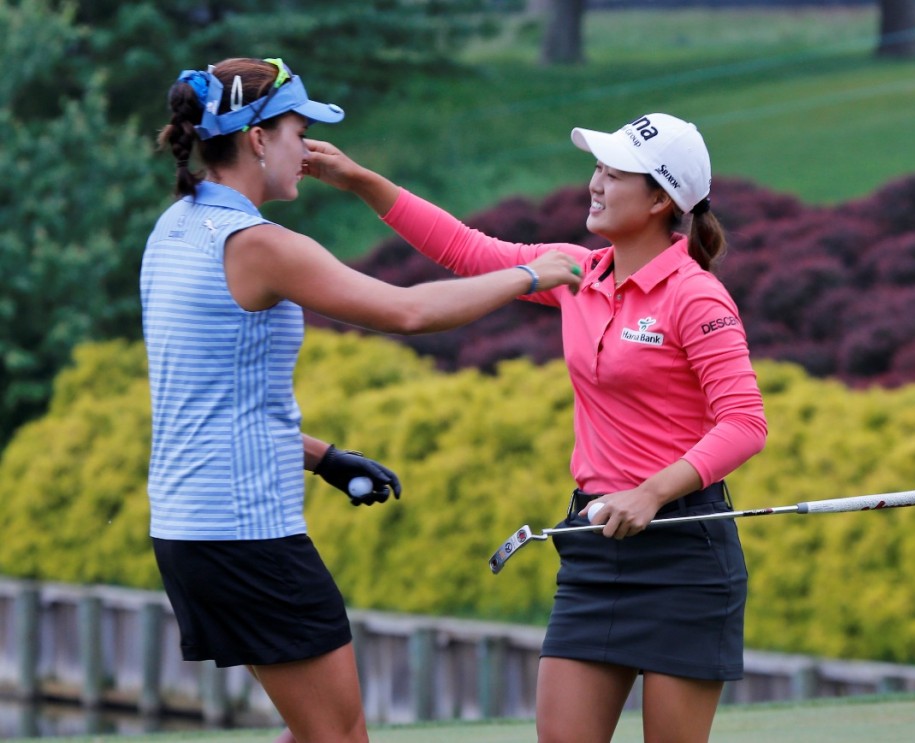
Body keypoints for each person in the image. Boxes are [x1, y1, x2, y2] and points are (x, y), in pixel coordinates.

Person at [140, 57, 581, 743]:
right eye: (296, 129)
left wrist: (322, 458)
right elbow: (407, 311)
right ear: (257, 139)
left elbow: (208, 401)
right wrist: (529, 274)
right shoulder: (258, 245)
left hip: (188, 527)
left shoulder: (173, 228)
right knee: (341, 735)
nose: (307, 148)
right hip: (245, 535)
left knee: (314, 730)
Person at [303, 113, 768, 743]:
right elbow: (464, 249)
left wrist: (653, 491)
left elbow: (744, 422)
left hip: (685, 552)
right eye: (597, 169)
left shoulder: (696, 296)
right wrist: (359, 181)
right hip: (593, 545)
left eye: (614, 173)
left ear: (661, 199)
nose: (594, 184)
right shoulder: (579, 272)